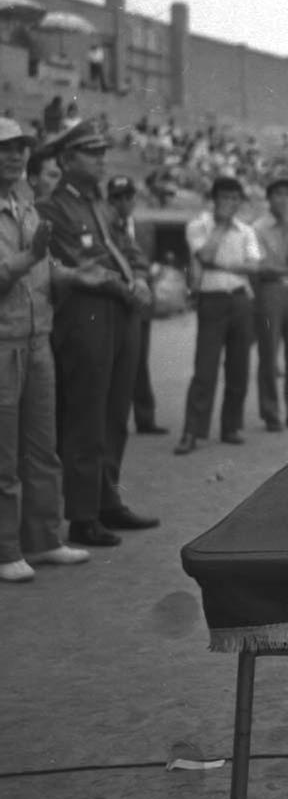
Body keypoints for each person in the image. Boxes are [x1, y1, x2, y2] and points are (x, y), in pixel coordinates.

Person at [39, 120, 159, 547]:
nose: (101, 160)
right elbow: (77, 263)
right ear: (66, 160)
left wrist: (141, 277)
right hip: (86, 315)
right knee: (86, 415)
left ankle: (108, 499)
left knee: (114, 412)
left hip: (120, 313)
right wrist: (127, 286)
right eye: (91, 153)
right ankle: (82, 513)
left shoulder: (102, 207)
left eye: (102, 152)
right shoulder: (52, 208)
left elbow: (128, 253)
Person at [0, 118, 91, 581]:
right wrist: (32, 257)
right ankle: (6, 548)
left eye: (19, 148)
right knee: (5, 453)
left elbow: (42, 269)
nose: (14, 156)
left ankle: (44, 539)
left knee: (41, 446)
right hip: (3, 342)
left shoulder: (26, 206)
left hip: (37, 338)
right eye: (5, 149)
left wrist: (79, 275)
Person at [174, 176, 261, 455]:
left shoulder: (246, 230)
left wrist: (224, 265)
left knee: (239, 367)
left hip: (240, 299)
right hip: (211, 299)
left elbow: (253, 267)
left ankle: (230, 426)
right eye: (225, 197)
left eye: (235, 198)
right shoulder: (198, 226)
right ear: (214, 200)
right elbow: (205, 256)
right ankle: (192, 431)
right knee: (205, 368)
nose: (230, 203)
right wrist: (221, 227)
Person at [107, 175, 168, 436]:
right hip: (114, 300)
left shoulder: (145, 227)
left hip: (140, 301)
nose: (124, 203)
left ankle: (145, 417)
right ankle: (111, 417)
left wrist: (150, 273)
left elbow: (153, 258)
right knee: (112, 360)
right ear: (110, 201)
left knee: (139, 360)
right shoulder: (104, 227)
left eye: (128, 197)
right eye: (117, 198)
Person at [253, 175, 288, 432]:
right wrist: (285, 269)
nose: (284, 199)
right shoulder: (258, 228)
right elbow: (262, 266)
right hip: (269, 291)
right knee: (269, 352)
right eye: (278, 194)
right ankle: (270, 412)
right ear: (269, 199)